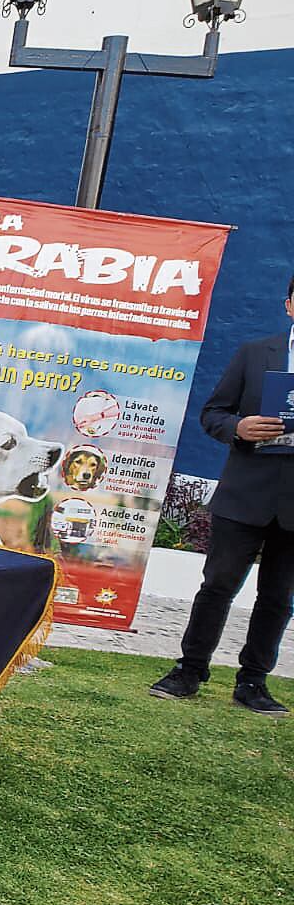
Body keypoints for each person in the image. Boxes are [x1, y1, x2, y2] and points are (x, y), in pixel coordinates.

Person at [150, 277, 294, 718]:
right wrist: (239, 428)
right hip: (244, 496)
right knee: (217, 587)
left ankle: (253, 681)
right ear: (289, 305)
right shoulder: (255, 353)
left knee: (278, 598)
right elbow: (213, 413)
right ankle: (189, 669)